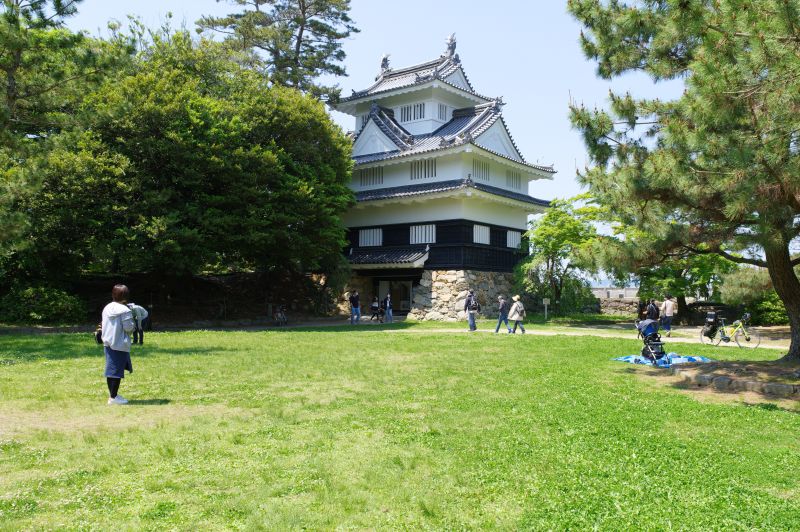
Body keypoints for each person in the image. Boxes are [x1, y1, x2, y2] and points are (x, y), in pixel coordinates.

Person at [101, 284, 135, 405]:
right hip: (119, 344)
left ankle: (113, 395)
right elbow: (129, 328)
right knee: (116, 372)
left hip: (107, 342)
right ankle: (113, 397)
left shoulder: (107, 307)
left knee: (111, 370)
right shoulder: (125, 310)